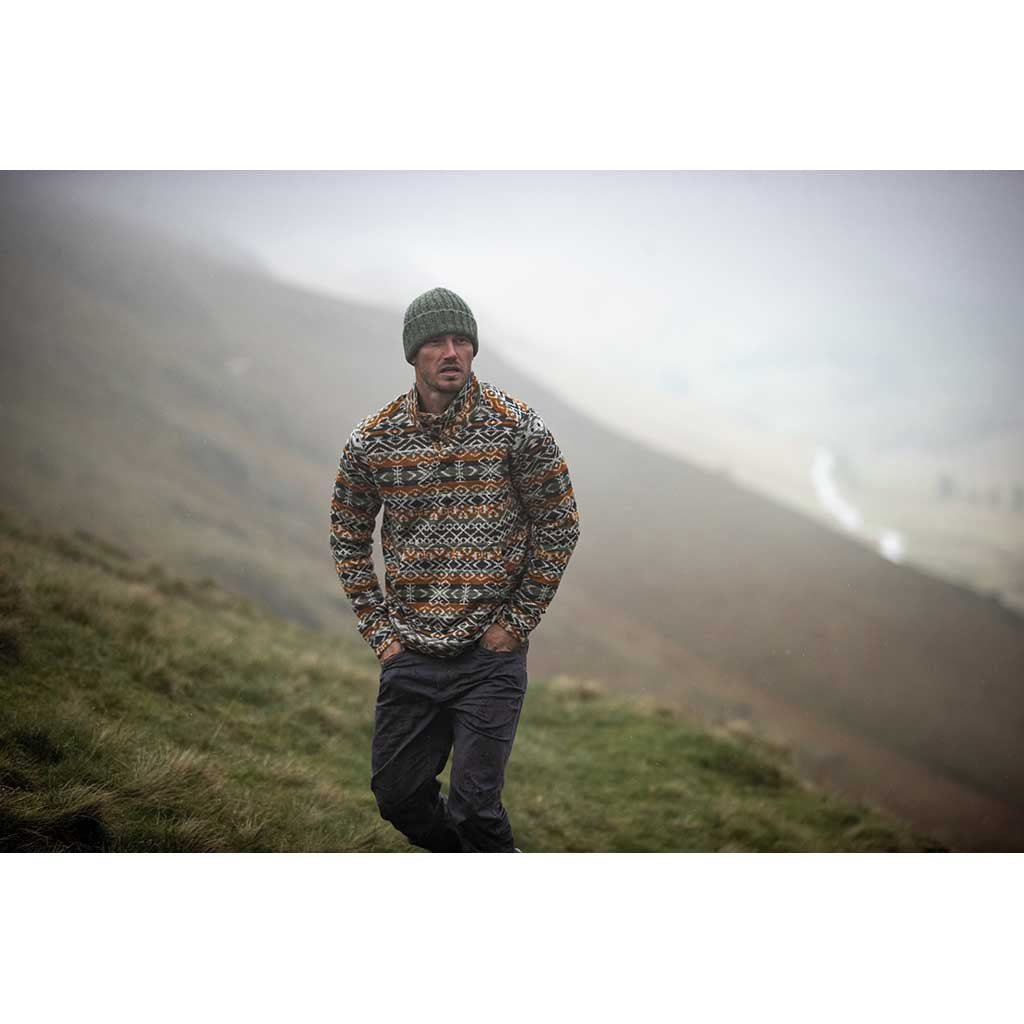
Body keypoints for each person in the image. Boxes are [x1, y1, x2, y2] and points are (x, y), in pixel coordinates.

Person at [330, 286, 581, 852]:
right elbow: (347, 536)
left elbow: (560, 523)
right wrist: (382, 636)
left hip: (488, 658)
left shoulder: (517, 427)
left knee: (475, 809)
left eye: (462, 341)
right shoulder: (373, 440)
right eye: (437, 342)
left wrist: (514, 624)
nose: (451, 352)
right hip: (410, 655)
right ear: (413, 354)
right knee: (397, 797)